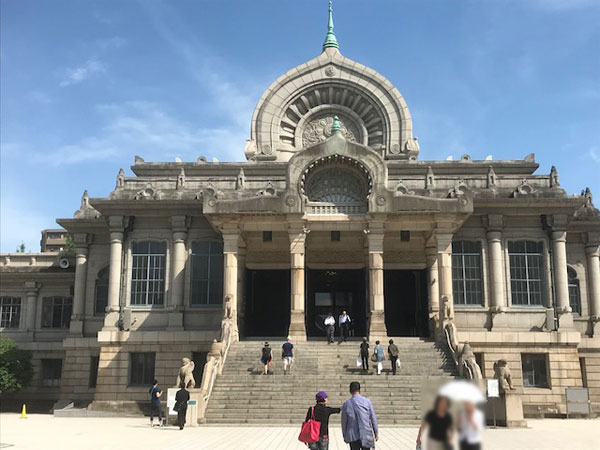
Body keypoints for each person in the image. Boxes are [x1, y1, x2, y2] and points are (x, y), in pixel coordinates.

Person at [341, 381, 378, 450]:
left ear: (350, 391)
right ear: (359, 390)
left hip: (352, 435)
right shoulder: (367, 401)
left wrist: (345, 435)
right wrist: (376, 432)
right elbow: (373, 418)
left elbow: (344, 422)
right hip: (366, 433)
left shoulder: (346, 404)